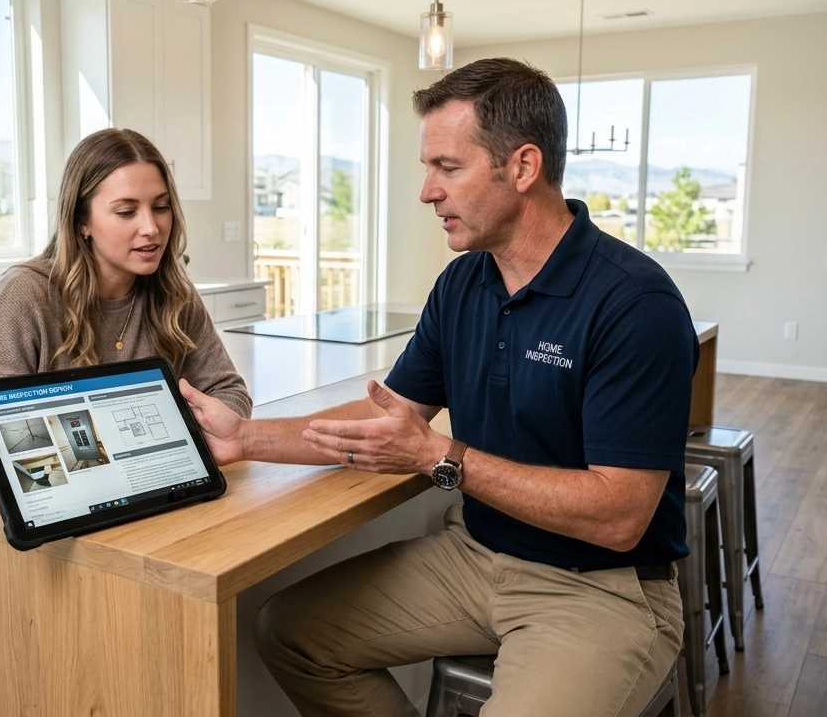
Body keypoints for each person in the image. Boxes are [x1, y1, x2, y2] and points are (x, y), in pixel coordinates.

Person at [180, 58, 698, 716]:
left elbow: (621, 517)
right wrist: (245, 437)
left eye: (447, 168)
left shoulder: (634, 303)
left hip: (600, 590)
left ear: (523, 167)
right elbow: (391, 418)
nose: (427, 192)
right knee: (288, 632)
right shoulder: (462, 285)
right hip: (476, 556)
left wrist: (438, 460)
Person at [0, 128, 252, 609]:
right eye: (126, 211)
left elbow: (228, 391)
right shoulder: (25, 295)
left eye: (160, 207)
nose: (151, 228)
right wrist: (127, 450)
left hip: (114, 515)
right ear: (82, 220)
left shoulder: (174, 293)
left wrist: (165, 447)